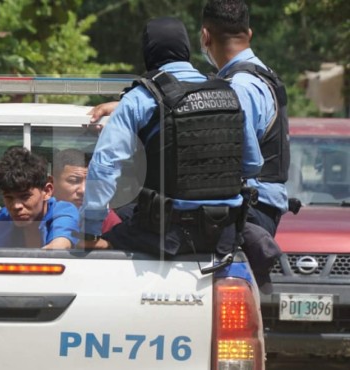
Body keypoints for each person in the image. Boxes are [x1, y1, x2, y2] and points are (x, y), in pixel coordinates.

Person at [80, 17, 263, 260]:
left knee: (104, 243)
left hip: (161, 234)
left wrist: (90, 230)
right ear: (186, 49)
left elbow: (105, 166)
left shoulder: (141, 97)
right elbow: (253, 164)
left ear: (148, 52)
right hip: (223, 235)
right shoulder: (229, 94)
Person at [200, 0, 290, 237]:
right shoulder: (262, 74)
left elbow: (240, 159)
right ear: (249, 34)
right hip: (261, 207)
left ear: (205, 36)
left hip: (248, 210)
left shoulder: (238, 87)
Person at [0, 147, 80, 249]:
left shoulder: (63, 211)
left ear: (47, 191)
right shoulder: (3, 218)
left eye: (25, 197)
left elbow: (60, 243)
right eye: (9, 197)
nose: (16, 206)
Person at [52, 148, 121, 236]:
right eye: (74, 181)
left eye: (90, 182)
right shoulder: (38, 212)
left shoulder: (103, 218)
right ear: (52, 183)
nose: (83, 190)